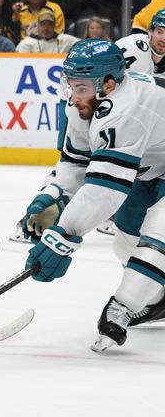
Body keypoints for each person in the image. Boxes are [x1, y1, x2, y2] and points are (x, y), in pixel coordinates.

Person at [22, 38, 165, 353]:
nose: (72, 94)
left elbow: (105, 191)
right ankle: (157, 301)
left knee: (158, 237)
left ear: (109, 84)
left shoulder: (128, 110)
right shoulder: (85, 102)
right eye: (70, 84)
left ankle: (123, 307)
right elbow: (75, 163)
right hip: (153, 165)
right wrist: (52, 198)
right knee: (126, 239)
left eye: (81, 86)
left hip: (152, 164)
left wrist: (65, 233)